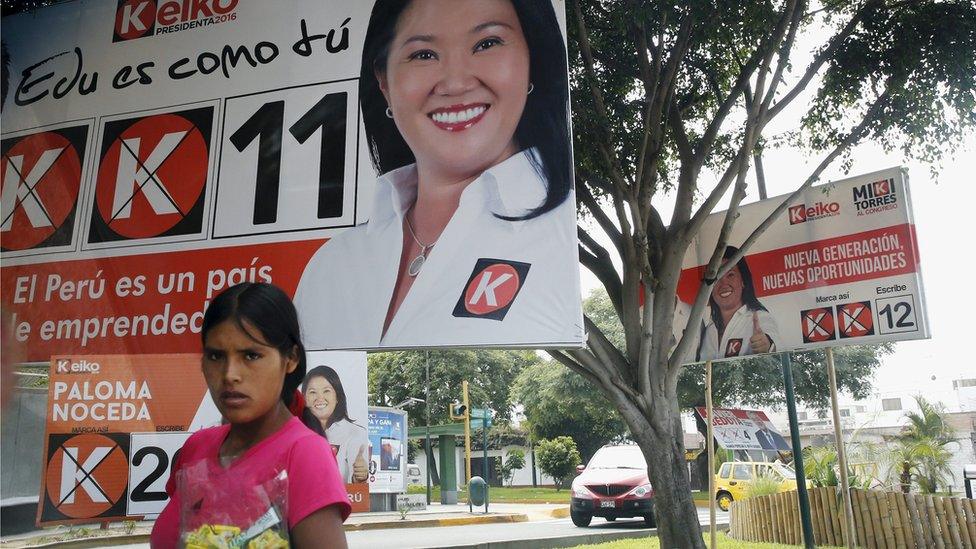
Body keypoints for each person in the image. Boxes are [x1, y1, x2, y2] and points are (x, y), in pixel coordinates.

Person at [296, 0, 582, 350]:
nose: (455, 83)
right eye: (424, 55)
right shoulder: (332, 263)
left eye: (487, 43)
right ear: (383, 80)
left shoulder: (563, 238)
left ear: (532, 62)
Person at [150, 283, 350, 549]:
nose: (230, 374)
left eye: (251, 355)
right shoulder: (196, 448)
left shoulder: (305, 454)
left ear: (290, 359)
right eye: (215, 356)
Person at [698, 246, 780, 360]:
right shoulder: (708, 330)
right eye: (717, 278)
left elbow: (778, 350)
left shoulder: (759, 318)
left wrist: (768, 346)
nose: (723, 283)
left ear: (743, 281)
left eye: (730, 275)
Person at [303, 365, 369, 483]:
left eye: (326, 391)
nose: (320, 398)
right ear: (304, 398)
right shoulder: (297, 434)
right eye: (312, 392)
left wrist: (361, 476)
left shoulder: (355, 433)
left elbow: (358, 489)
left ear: (337, 396)